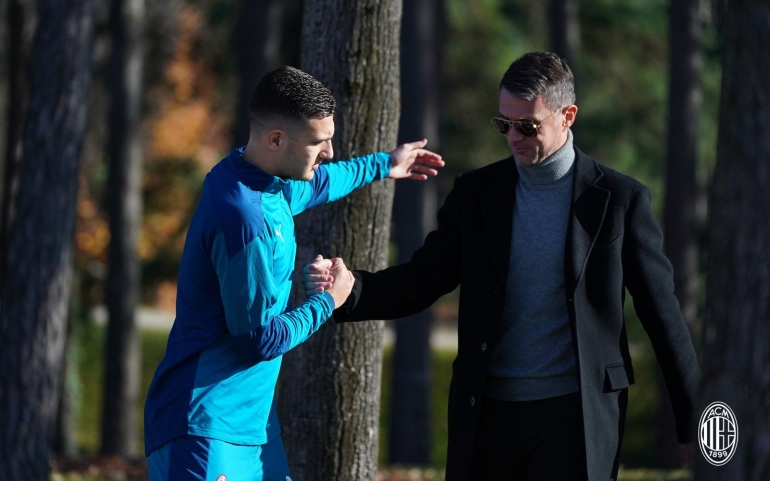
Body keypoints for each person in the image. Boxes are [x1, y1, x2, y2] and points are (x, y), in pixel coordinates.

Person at [303, 52, 700, 481]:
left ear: (568, 116)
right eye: (503, 123)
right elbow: (423, 279)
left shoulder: (621, 201)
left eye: (527, 125)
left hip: (576, 416)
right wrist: (350, 289)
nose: (512, 136)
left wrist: (696, 425)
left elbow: (663, 318)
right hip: (487, 415)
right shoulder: (476, 194)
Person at [143, 66, 444, 481]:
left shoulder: (261, 178)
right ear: (276, 139)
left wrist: (386, 164)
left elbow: (324, 182)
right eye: (319, 142)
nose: (330, 152)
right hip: (204, 427)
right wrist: (329, 300)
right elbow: (259, 341)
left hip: (253, 428)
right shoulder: (245, 219)